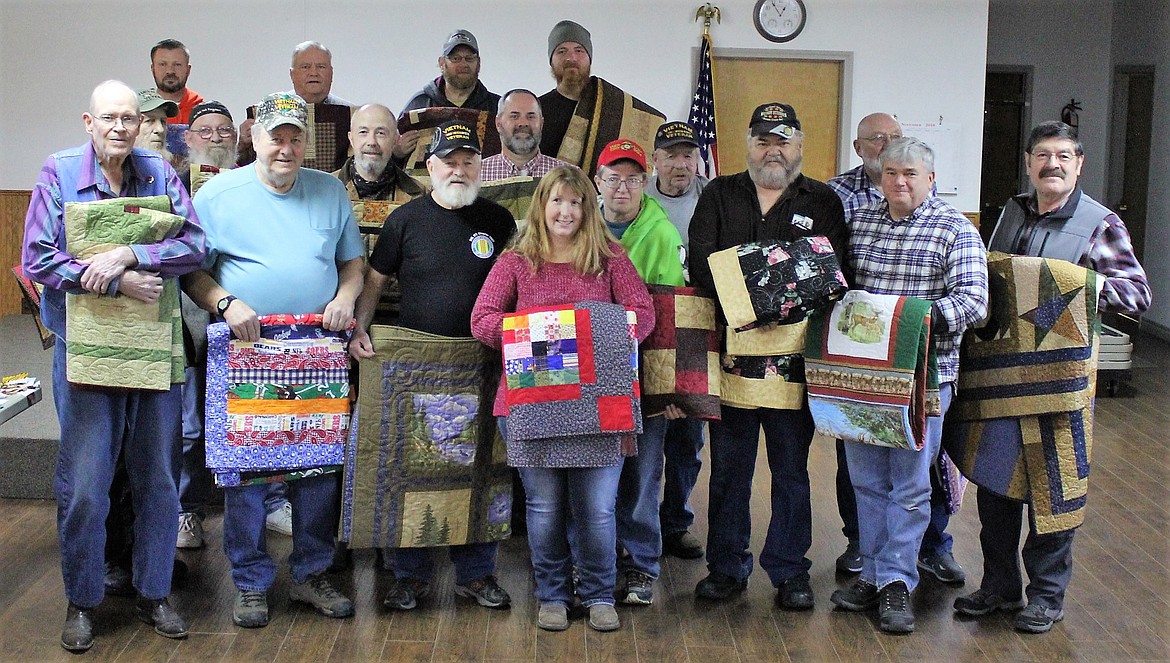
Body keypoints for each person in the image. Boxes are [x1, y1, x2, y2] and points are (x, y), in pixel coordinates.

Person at [22, 79, 204, 652]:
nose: (121, 127)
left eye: (129, 117)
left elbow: (196, 245)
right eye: (110, 118)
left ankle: (154, 592)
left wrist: (133, 253)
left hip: (154, 352)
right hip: (86, 352)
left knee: (156, 480)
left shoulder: (158, 172)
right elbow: (37, 258)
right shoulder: (58, 174)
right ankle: (83, 600)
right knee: (86, 485)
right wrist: (111, 280)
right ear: (88, 121)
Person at [954, 120, 1151, 634]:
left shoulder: (1099, 223)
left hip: (1058, 381)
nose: (1053, 164)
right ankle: (999, 586)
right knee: (996, 481)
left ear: (1079, 164)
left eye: (1064, 155)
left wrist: (1065, 286)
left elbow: (1136, 295)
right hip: (998, 374)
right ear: (1028, 162)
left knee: (1052, 486)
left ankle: (1046, 594)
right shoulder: (1009, 213)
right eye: (1043, 155)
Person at [183, 91, 363, 629]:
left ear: (306, 141)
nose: (285, 147)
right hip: (246, 351)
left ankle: (312, 574)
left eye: (294, 137)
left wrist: (345, 299)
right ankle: (250, 580)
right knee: (247, 474)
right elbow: (191, 271)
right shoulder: (217, 193)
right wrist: (224, 302)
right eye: (275, 136)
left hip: (318, 351)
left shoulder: (330, 190)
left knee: (319, 471)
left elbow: (353, 265)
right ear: (253, 137)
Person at [471, 165, 654, 632]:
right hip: (532, 407)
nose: (566, 211)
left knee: (596, 509)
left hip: (601, 405)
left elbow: (643, 315)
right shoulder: (516, 261)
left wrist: (583, 334)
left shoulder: (610, 257)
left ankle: (597, 595)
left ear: (588, 208)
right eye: (557, 201)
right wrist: (548, 339)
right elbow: (483, 319)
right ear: (542, 206)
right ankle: (552, 594)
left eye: (576, 202)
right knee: (545, 508)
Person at [348, 121, 515, 612]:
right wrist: (360, 329)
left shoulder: (499, 220)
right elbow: (375, 283)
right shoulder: (406, 219)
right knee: (408, 466)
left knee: (485, 466)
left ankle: (477, 573)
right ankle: (409, 576)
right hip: (413, 368)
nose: (458, 170)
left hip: (483, 363)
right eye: (449, 161)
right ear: (431, 167)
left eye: (468, 161)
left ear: (479, 167)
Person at [688, 102, 850, 609]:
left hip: (793, 364)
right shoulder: (718, 193)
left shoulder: (822, 200)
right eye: (762, 140)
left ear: (799, 144)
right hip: (731, 359)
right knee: (729, 473)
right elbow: (701, 265)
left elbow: (830, 273)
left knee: (791, 472)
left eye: (782, 140)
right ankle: (726, 567)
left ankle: (789, 571)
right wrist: (772, 290)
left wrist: (757, 292)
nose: (772, 149)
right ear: (748, 144)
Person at [828, 137, 988, 634]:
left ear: (931, 179)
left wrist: (904, 321)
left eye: (910, 174)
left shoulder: (955, 230)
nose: (899, 181)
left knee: (911, 486)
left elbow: (974, 305)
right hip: (864, 380)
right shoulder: (862, 223)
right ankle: (873, 575)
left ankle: (898, 580)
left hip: (924, 381)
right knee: (866, 482)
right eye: (891, 172)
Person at [593, 138, 685, 605]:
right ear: (598, 182)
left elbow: (671, 318)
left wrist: (669, 390)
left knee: (643, 474)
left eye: (632, 178)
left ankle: (641, 566)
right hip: (589, 378)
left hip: (645, 374)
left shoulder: (663, 234)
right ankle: (594, 563)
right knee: (595, 475)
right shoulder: (578, 228)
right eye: (613, 177)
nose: (622, 187)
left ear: (644, 182)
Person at [642, 121, 709, 560]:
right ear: (656, 160)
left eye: (688, 154)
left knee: (688, 434)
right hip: (646, 327)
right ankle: (641, 525)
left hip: (696, 328)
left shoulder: (712, 196)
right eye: (671, 155)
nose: (680, 163)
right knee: (647, 434)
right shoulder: (638, 194)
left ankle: (676, 522)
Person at [175, 100, 238, 549]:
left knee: (250, 419)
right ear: (188, 139)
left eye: (224, 131)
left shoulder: (249, 184)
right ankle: (186, 511)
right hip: (186, 326)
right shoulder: (170, 185)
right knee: (190, 426)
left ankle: (270, 503)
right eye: (205, 131)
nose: (215, 138)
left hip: (238, 324)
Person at [539, 20, 664, 176]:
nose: (571, 57)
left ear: (590, 59)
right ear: (551, 61)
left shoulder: (613, 105)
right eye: (561, 51)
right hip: (552, 196)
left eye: (579, 50)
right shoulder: (537, 111)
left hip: (606, 197)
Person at [238, 41, 352, 165]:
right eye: (305, 67)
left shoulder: (350, 114)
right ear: (292, 74)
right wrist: (243, 145)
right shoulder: (269, 112)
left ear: (331, 73)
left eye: (321, 66)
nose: (314, 73)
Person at [395, 29, 499, 164]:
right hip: (426, 185)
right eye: (455, 58)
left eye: (469, 58)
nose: (463, 64)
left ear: (478, 64)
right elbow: (395, 165)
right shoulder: (418, 105)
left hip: (482, 184)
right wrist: (397, 153)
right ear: (442, 63)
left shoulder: (496, 107)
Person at [333, 104, 424, 202]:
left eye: (380, 133)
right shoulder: (326, 189)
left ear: (395, 140)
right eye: (363, 132)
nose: (372, 142)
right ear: (351, 139)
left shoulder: (418, 194)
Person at [481, 89, 563, 181]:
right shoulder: (476, 174)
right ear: (498, 124)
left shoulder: (565, 175)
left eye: (530, 116)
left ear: (541, 124)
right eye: (514, 116)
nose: (523, 123)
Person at [150, 39, 204, 124]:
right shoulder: (140, 109)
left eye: (177, 65)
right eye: (163, 64)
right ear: (153, 69)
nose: (170, 71)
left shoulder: (201, 110)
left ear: (188, 70)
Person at [134, 88, 178, 162]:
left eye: (163, 122)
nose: (161, 129)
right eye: (150, 121)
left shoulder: (171, 171)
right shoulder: (116, 170)